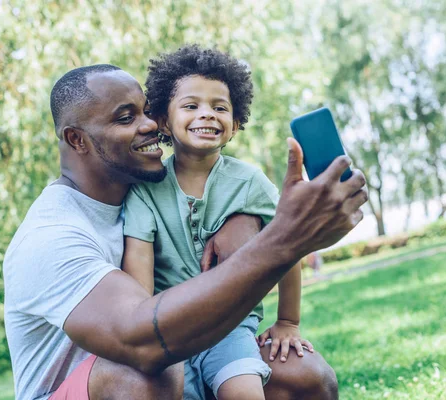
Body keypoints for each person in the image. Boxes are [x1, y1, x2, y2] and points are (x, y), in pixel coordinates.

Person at [3, 63, 368, 400]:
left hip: (182, 360)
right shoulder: (51, 236)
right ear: (77, 140)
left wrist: (246, 219)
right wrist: (286, 238)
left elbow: (210, 194)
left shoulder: (146, 189)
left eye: (147, 111)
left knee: (306, 375)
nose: (149, 125)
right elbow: (141, 340)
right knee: (144, 377)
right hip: (127, 374)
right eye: (127, 117)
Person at [122, 45, 312, 400]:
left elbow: (289, 248)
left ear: (236, 123)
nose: (206, 114)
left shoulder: (251, 183)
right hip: (169, 333)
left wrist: (288, 321)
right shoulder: (145, 190)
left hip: (229, 328)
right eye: (191, 106)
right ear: (163, 120)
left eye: (219, 107)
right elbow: (139, 279)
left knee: (244, 391)